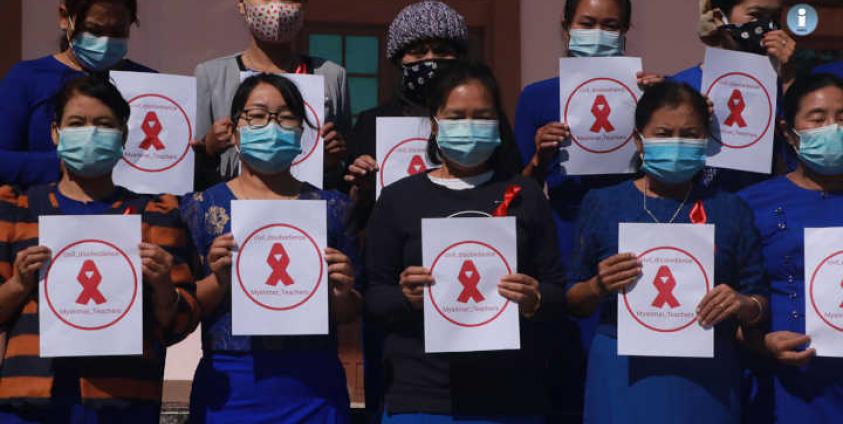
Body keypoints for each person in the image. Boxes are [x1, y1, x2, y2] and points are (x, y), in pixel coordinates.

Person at [365, 61, 566, 423]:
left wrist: (534, 298)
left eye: (482, 116)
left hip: (511, 396)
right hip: (422, 396)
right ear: (435, 124)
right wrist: (406, 297)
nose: (469, 126)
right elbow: (373, 295)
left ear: (498, 122)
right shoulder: (398, 199)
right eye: (456, 116)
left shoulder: (526, 194)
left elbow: (556, 289)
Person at [565, 81, 768, 423]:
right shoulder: (603, 203)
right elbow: (573, 300)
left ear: (706, 140)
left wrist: (743, 304)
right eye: (663, 133)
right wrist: (598, 286)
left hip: (707, 375)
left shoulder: (730, 209)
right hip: (623, 371)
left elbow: (759, 299)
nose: (677, 143)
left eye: (690, 134)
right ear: (638, 140)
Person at [0, 75, 199, 423]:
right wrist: (18, 284)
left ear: (123, 136)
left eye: (104, 124)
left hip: (124, 403)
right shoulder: (17, 209)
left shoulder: (155, 215)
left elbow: (181, 323)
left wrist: (163, 286)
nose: (90, 134)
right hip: (32, 406)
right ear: (55, 132)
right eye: (77, 123)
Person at [180, 73, 361, 422]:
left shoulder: (333, 207)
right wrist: (218, 280)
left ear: (301, 132)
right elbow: (181, 310)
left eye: (286, 117)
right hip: (230, 387)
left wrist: (341, 291)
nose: (272, 126)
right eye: (257, 116)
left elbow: (350, 311)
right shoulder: (200, 208)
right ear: (234, 131)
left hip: (314, 388)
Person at [513, 0, 660, 418]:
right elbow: (517, 187)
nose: (598, 33)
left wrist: (662, 101)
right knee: (567, 354)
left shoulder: (645, 92)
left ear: (626, 30)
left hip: (635, 231)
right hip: (565, 231)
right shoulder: (537, 96)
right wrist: (540, 156)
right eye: (588, 23)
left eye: (610, 25)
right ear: (567, 26)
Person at [340, 2, 470, 420]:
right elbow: (352, 219)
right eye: (418, 51)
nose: (430, 60)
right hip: (394, 289)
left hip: (467, 279)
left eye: (443, 50)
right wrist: (359, 191)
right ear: (398, 59)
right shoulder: (370, 123)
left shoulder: (479, 121)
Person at [738, 73, 843, 423]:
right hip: (787, 388)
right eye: (818, 119)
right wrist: (760, 342)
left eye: (842, 117)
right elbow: (725, 300)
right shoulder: (751, 204)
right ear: (788, 131)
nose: (833, 128)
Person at [193, 0, 351, 192]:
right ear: (242, 4)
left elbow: (345, 165)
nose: (277, 7)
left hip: (307, 203)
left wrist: (333, 162)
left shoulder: (331, 76)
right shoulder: (212, 76)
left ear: (304, 6)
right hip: (234, 203)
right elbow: (193, 172)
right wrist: (208, 149)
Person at [0, 0, 153, 189]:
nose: (105, 41)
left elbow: (171, 164)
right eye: (93, 30)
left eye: (117, 32)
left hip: (130, 206)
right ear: (65, 18)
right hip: (44, 204)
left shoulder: (150, 83)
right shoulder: (27, 78)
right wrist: (71, 162)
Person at [671, 0, 797, 191]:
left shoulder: (784, 86)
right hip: (700, 203)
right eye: (756, 15)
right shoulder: (680, 86)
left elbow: (799, 158)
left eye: (774, 17)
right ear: (718, 17)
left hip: (760, 201)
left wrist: (788, 77)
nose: (768, 26)